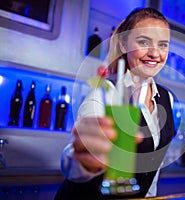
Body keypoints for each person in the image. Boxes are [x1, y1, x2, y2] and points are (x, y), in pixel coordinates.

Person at [55, 7, 175, 199]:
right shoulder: (105, 93)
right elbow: (71, 158)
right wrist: (84, 160)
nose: (155, 53)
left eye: (163, 45)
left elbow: (153, 169)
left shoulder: (166, 98)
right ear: (124, 44)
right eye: (144, 42)